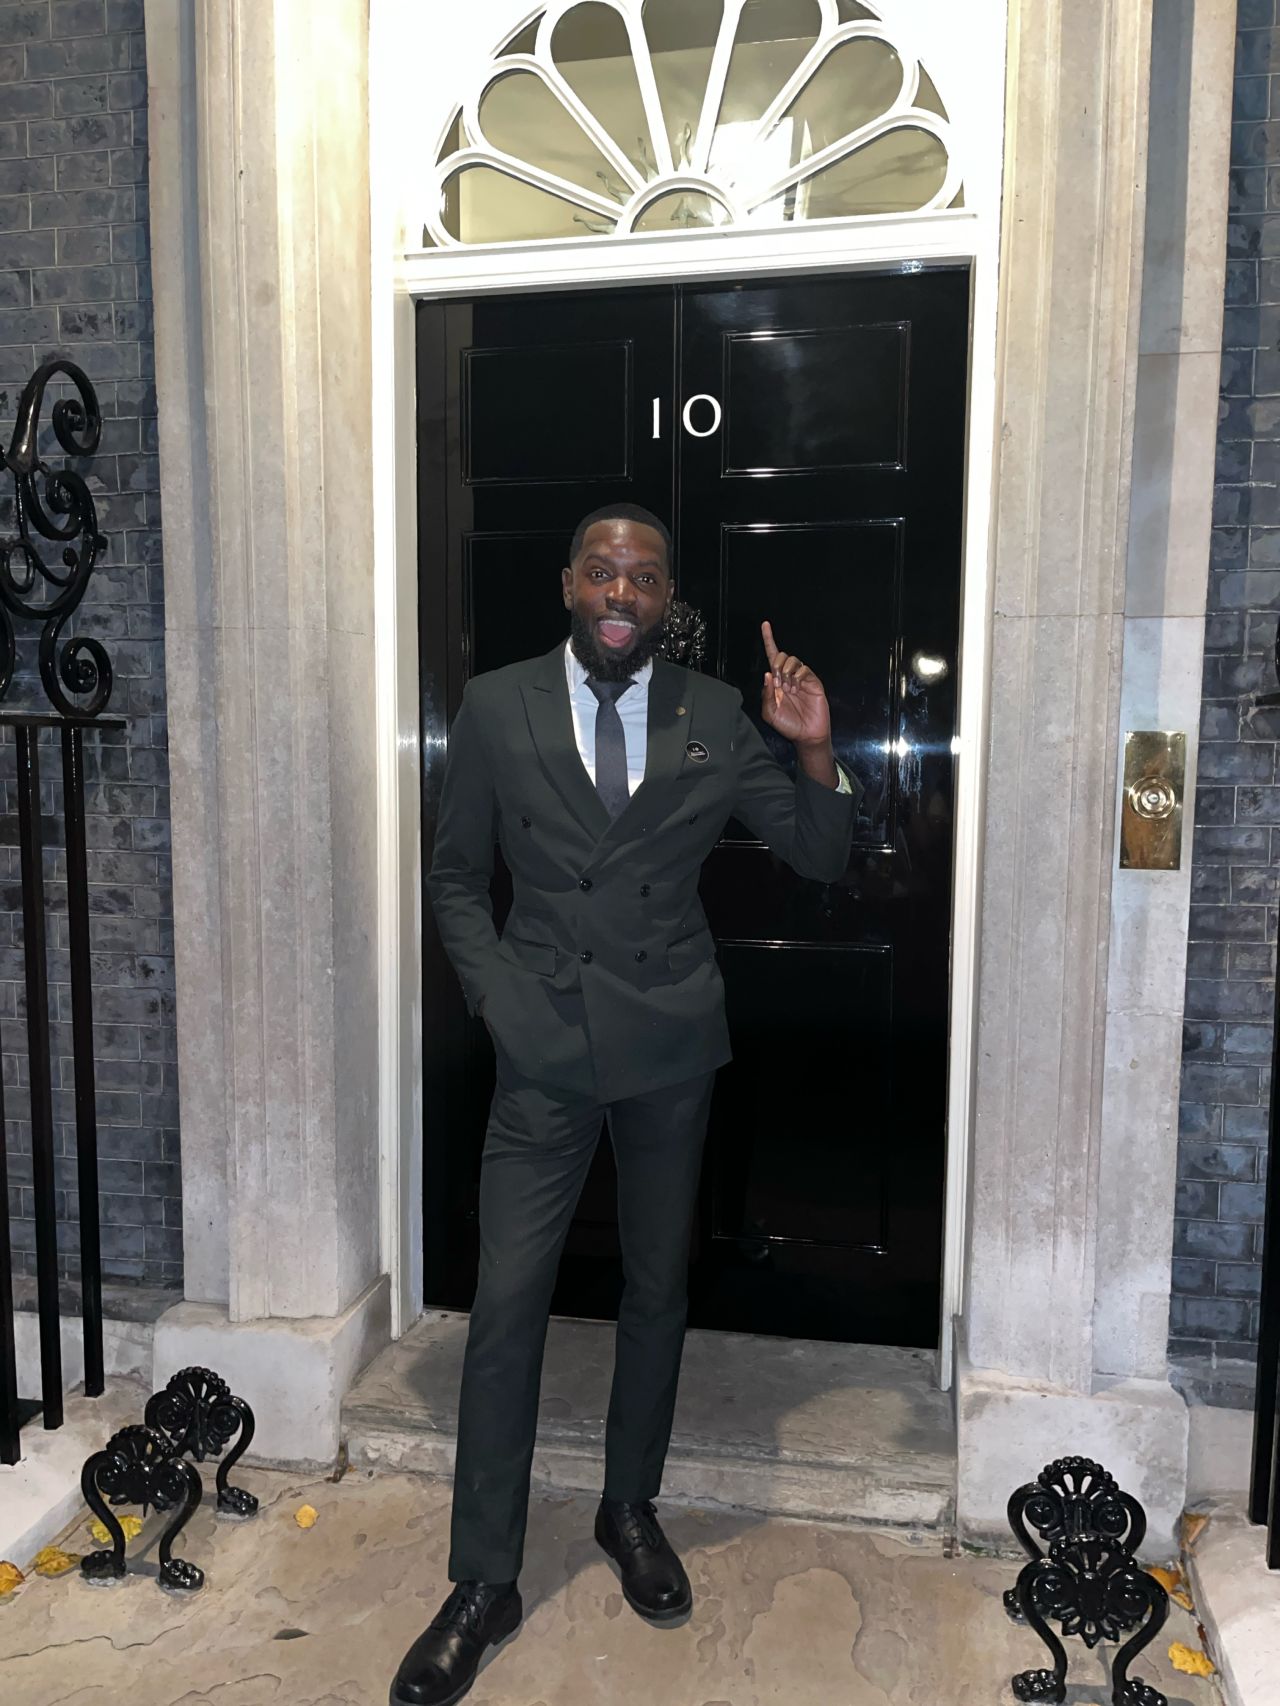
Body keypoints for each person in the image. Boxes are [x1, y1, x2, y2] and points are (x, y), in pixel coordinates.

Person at [390, 504, 857, 1706]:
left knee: (655, 1287)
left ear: (664, 599)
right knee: (506, 1303)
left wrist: (810, 746)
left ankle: (626, 1506)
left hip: (665, 1044)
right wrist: (497, 999)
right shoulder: (496, 706)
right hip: (540, 1043)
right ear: (566, 584)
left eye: (641, 576)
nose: (618, 589)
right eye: (600, 569)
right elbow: (452, 873)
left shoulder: (711, 711)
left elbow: (815, 854)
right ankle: (483, 1577)